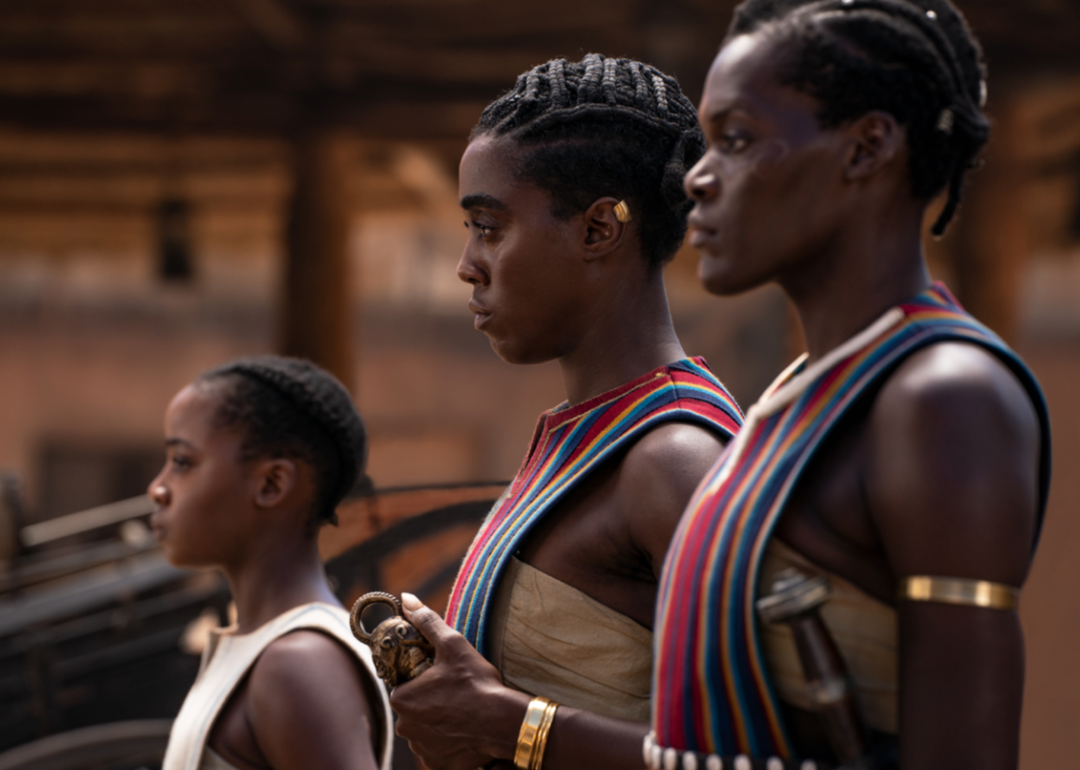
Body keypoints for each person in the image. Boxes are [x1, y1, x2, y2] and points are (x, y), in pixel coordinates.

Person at [647, 1, 1052, 769]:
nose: (698, 178)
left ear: (867, 147)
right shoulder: (797, 395)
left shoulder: (942, 398)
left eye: (736, 140)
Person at [388, 54, 745, 770]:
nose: (467, 264)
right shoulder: (588, 434)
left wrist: (506, 724)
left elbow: (750, 757)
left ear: (598, 230)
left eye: (489, 227)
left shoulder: (674, 459)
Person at [151, 356, 393, 770]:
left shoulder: (299, 663)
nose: (158, 488)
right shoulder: (267, 648)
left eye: (183, 462)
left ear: (271, 484)